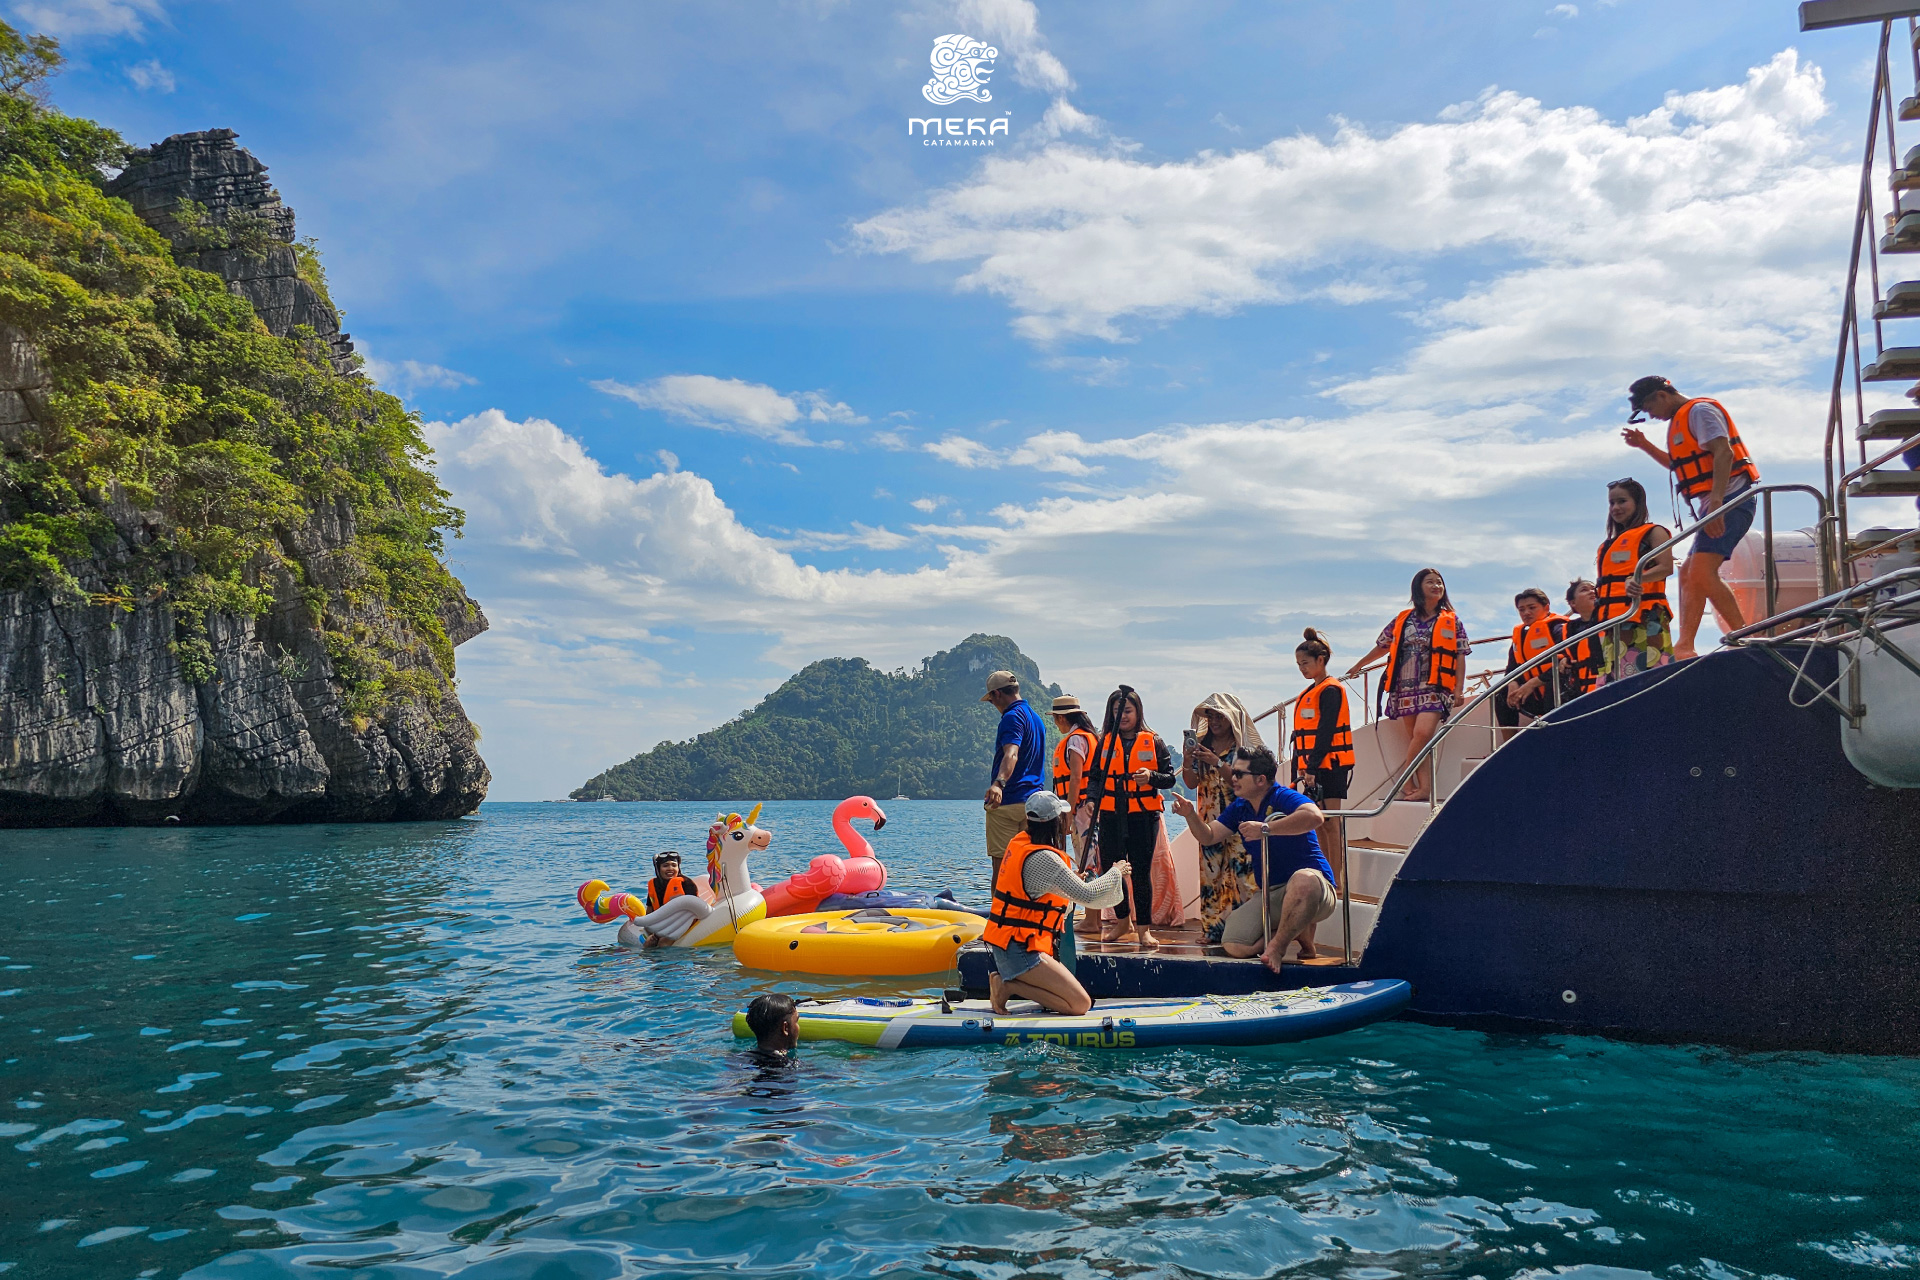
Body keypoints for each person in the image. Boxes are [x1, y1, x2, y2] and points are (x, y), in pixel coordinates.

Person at [1621, 376, 1761, 659]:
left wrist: (1718, 504)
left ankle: (1743, 637)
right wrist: (1644, 445)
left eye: (1649, 409)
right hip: (1714, 504)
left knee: (1699, 572)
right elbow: (1677, 464)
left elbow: (1724, 452)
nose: (1651, 416)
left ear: (1661, 395)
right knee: (1688, 573)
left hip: (1731, 500)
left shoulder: (1700, 411)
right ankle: (1685, 646)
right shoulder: (1679, 421)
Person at [1169, 746, 1334, 972]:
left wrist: (1266, 829)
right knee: (1233, 944)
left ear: (1260, 780)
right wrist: (1189, 814)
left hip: (1315, 889)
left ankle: (1277, 947)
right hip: (1273, 891)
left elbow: (1315, 816)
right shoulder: (1240, 807)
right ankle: (1297, 931)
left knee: (1302, 880)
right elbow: (1208, 836)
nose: (1232, 778)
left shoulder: (1283, 796)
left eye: (1239, 774)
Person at [983, 791, 1129, 1015]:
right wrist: (1115, 872)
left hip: (1009, 946)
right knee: (1080, 1004)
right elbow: (1089, 896)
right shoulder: (1046, 858)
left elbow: (1046, 895)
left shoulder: (1020, 842)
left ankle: (1008, 983)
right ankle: (1006, 986)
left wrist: (1068, 884)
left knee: (1066, 1000)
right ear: (1055, 822)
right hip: (1019, 952)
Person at [1343, 568, 1470, 802]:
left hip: (1435, 687)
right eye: (1430, 582)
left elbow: (1461, 655)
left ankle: (1405, 780)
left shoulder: (1452, 620)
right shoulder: (1403, 618)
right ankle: (1424, 788)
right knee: (1416, 740)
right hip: (1405, 688)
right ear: (1418, 588)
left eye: (1439, 583)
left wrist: (1459, 689)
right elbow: (1383, 646)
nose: (1436, 586)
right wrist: (1360, 665)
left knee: (1422, 735)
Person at [1083, 685, 1174, 948]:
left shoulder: (1154, 741)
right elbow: (1096, 777)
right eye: (1117, 711)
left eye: (1128, 710)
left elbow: (1168, 779)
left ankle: (1144, 929)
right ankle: (1123, 921)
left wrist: (1151, 777)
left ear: (1138, 712)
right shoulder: (1105, 742)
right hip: (1111, 813)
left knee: (1140, 872)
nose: (1122, 715)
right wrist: (1091, 799)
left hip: (1143, 816)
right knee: (1112, 870)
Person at [1179, 693, 1264, 946]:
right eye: (1211, 716)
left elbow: (1242, 782)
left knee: (1244, 874)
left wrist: (1216, 762)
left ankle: (1249, 931)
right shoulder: (1201, 745)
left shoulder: (1243, 750)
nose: (1214, 720)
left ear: (1231, 718)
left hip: (1239, 817)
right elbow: (1191, 782)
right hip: (1209, 818)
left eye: (1220, 715)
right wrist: (1187, 760)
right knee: (1211, 872)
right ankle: (1213, 930)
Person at [1290, 630, 1352, 958]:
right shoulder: (1310, 692)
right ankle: (1326, 872)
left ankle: (1336, 879)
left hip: (1330, 767)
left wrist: (1312, 766)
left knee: (1330, 823)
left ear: (1321, 661)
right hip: (1312, 768)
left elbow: (1326, 731)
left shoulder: (1331, 691)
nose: (1302, 668)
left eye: (1306, 663)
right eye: (1299, 664)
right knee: (1315, 823)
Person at [1593, 478, 1676, 684]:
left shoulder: (1654, 532)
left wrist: (1638, 578)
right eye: (1612, 503)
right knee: (1614, 684)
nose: (1616, 508)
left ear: (1637, 503)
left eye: (1622, 501)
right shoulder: (1608, 544)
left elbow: (1666, 567)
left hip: (1645, 620)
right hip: (1614, 624)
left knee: (1648, 680)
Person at [981, 670, 1048, 882]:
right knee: (1028, 867)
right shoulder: (1036, 719)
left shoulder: (1011, 718)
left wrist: (998, 784)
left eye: (991, 699)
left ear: (998, 694)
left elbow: (1012, 753)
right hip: (1033, 804)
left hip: (1007, 803)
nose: (992, 704)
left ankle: (999, 915)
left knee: (1002, 868)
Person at [1050, 694, 1103, 939]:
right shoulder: (1091, 738)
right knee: (1092, 860)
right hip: (1091, 808)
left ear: (1062, 718)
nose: (1055, 725)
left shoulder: (1075, 741)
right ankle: (1095, 916)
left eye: (1056, 720)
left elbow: (1074, 778)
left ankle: (1092, 919)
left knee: (1086, 861)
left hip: (1081, 808)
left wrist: (1068, 812)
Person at [1495, 589, 1568, 741]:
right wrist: (1513, 684)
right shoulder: (1520, 634)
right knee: (1501, 693)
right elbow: (1512, 667)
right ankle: (1508, 746)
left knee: (1554, 684)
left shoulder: (1558, 628)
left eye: (1531, 607)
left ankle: (1553, 740)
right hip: (1532, 696)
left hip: (1558, 692)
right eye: (1522, 609)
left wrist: (1533, 683)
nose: (1526, 612)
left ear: (1546, 607)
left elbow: (1568, 660)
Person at [1561, 578, 1603, 698]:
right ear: (1573, 603)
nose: (1592, 591)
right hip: (1582, 692)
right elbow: (1564, 655)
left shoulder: (1612, 619)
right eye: (1584, 590)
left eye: (1594, 589)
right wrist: (1563, 660)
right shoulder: (1568, 629)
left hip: (1610, 683)